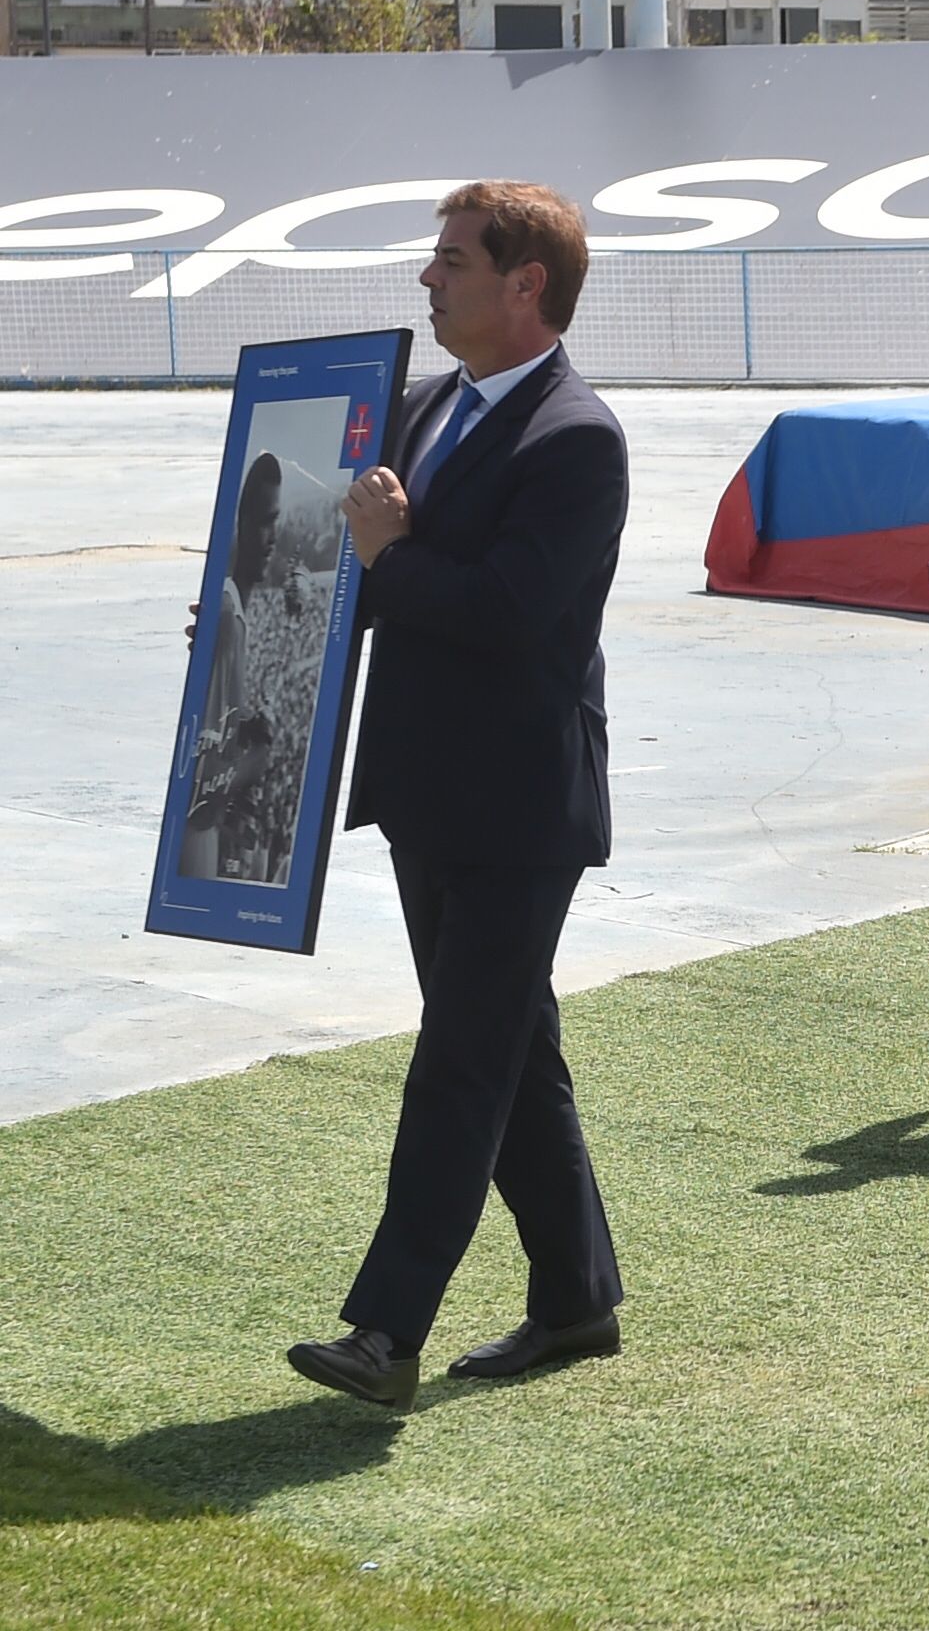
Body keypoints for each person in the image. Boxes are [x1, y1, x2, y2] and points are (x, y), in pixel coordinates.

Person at [285, 181, 629, 1410]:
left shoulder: (576, 437)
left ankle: (385, 1333)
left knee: (462, 1061)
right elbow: (353, 575)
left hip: (521, 809)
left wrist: (393, 557)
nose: (427, 280)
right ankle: (579, 1297)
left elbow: (510, 617)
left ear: (523, 282)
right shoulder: (421, 407)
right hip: (425, 793)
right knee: (510, 1047)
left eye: (449, 261)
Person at [180, 452, 283, 881]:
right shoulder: (227, 613)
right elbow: (206, 770)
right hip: (199, 829)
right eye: (264, 521)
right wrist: (257, 758)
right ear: (239, 525)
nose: (272, 538)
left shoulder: (233, 610)